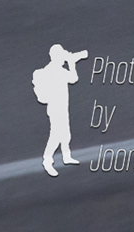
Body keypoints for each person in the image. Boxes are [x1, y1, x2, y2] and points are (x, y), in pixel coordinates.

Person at [32, 44, 89, 176]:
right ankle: (47, 161)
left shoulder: (59, 69)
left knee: (65, 134)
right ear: (56, 57)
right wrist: (71, 63)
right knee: (56, 135)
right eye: (62, 55)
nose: (64, 58)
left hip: (62, 106)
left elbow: (73, 79)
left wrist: (71, 63)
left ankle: (66, 156)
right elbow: (74, 79)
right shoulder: (54, 70)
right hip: (55, 108)